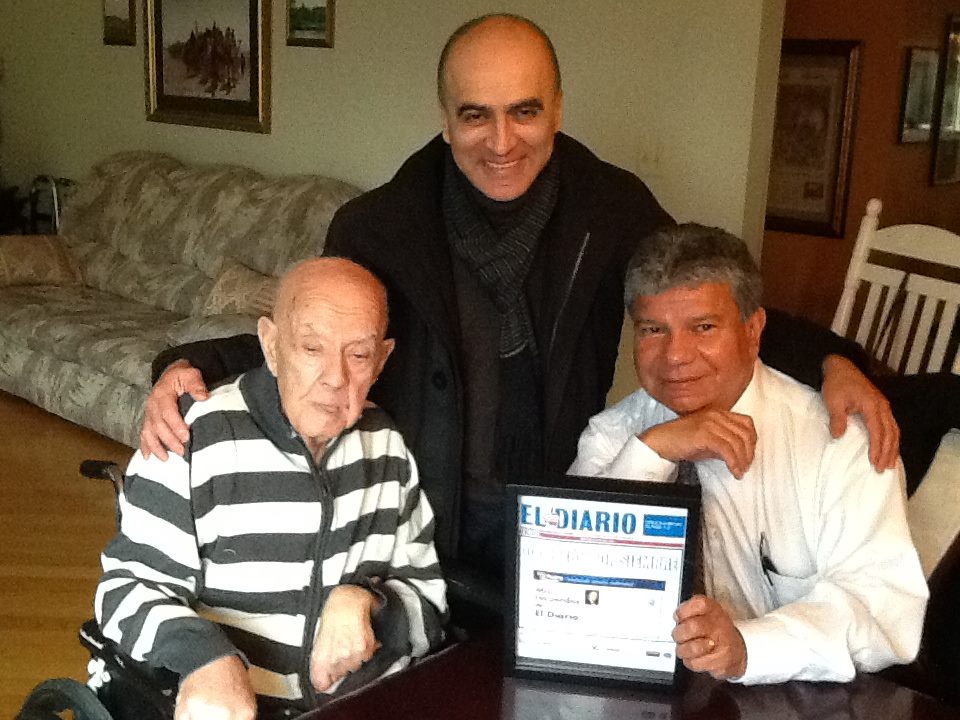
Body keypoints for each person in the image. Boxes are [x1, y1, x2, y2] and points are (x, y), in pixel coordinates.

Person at [139, 13, 897, 591]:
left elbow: (713, 307)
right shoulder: (379, 225)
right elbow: (316, 348)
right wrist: (192, 363)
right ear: (445, 118)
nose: (502, 141)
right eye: (476, 115)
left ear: (558, 109)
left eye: (524, 111)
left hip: (563, 502)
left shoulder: (613, 210)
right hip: (413, 519)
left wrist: (834, 360)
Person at [568, 224, 927, 684]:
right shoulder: (614, 436)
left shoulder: (836, 440)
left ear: (753, 330)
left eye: (703, 327)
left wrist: (749, 647)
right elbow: (569, 585)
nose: (675, 356)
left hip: (795, 701)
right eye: (653, 329)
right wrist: (653, 452)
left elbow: (883, 607)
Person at [95, 258, 447, 719]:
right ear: (272, 345)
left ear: (381, 360)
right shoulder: (193, 438)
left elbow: (429, 600)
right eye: (311, 348)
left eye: (358, 355)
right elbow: (126, 588)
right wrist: (207, 660)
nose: (336, 377)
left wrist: (366, 602)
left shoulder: (387, 447)